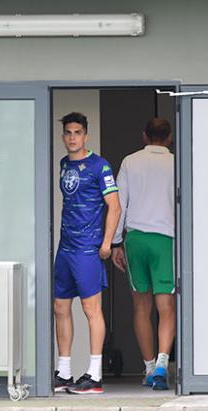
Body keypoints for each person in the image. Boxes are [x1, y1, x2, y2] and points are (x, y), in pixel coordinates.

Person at [53, 112, 121, 395]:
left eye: (77, 132)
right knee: (60, 308)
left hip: (88, 248)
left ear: (86, 135)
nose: (72, 137)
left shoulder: (99, 166)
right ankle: (64, 372)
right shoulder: (64, 163)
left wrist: (106, 243)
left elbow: (114, 207)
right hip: (65, 248)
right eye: (68, 132)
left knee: (91, 310)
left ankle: (94, 375)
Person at [111, 118, 176, 391]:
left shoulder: (129, 161)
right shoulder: (177, 162)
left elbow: (119, 203)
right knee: (166, 306)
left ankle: (148, 367)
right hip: (167, 239)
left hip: (135, 239)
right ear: (169, 137)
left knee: (141, 306)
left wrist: (115, 242)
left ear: (144, 135)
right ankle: (162, 363)